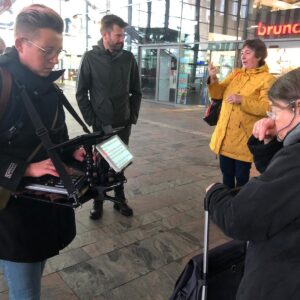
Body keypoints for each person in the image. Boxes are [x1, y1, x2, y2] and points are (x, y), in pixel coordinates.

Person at [0, 4, 86, 299]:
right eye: (47, 50)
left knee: (35, 270)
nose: (54, 59)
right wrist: (25, 168)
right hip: (12, 212)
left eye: (58, 51)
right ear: (21, 43)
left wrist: (71, 152)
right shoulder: (3, 81)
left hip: (44, 206)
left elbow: (53, 137)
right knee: (25, 292)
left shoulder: (45, 83)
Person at [205, 67, 300, 300]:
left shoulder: (296, 158)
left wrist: (214, 194)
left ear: (297, 106)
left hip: (281, 280)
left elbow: (241, 218)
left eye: (276, 111)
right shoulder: (236, 74)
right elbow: (284, 188)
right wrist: (272, 143)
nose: (272, 118)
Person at [76, 14, 142, 219]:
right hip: (100, 123)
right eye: (118, 35)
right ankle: (98, 202)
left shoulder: (128, 58)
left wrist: (131, 116)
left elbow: (136, 91)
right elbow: (81, 92)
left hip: (123, 123)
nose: (122, 39)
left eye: (123, 35)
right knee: (99, 164)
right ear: (105, 34)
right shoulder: (90, 58)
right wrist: (92, 120)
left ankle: (120, 199)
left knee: (119, 163)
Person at [207, 38, 275, 188]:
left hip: (243, 140)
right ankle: (225, 206)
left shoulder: (267, 80)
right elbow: (218, 94)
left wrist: (242, 100)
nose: (242, 56)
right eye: (242, 53)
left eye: (248, 53)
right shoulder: (236, 74)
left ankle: (238, 207)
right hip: (225, 137)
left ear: (258, 56)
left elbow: (267, 108)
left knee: (241, 179)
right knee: (226, 175)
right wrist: (213, 78)